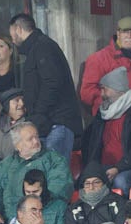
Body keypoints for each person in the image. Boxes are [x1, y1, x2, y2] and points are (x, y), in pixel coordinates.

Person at [7, 13, 85, 158]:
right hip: (47, 124)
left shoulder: (43, 47)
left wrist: (38, 113)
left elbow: (52, 83)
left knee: (54, 173)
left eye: (11, 32)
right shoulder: (37, 48)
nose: (11, 38)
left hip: (56, 124)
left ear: (18, 29)